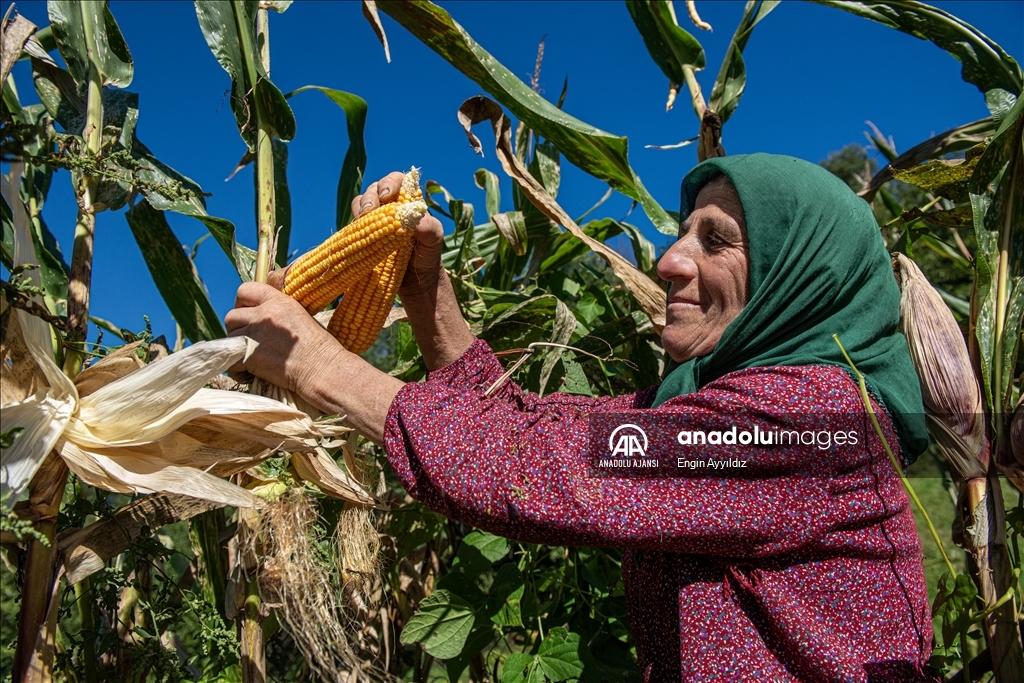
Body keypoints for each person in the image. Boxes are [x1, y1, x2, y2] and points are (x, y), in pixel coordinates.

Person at [226, 154, 935, 682]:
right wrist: (425, 287)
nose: (668, 262)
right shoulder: (721, 411)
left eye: (716, 241)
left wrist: (319, 367)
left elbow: (550, 471)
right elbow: (537, 428)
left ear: (803, 273)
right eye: (683, 234)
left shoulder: (816, 422)